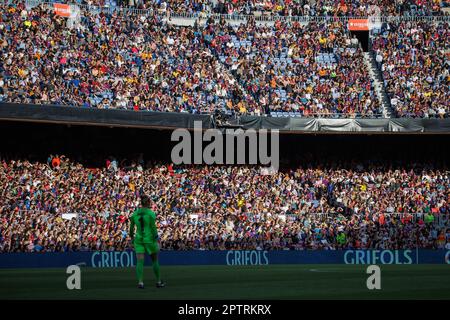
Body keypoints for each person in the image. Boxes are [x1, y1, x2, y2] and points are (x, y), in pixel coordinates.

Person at [129, 194, 165, 289]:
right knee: (154, 260)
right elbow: (153, 227)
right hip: (149, 239)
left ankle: (140, 282)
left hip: (139, 240)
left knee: (140, 261)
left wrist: (132, 238)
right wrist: (157, 239)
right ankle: (158, 281)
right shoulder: (150, 213)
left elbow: (131, 228)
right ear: (148, 203)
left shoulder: (135, 214)